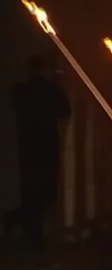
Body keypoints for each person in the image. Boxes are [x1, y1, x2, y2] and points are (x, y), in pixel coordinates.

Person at [11, 55, 70, 249]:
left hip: (29, 146)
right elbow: (65, 110)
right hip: (45, 146)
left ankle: (31, 230)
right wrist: (57, 84)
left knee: (31, 189)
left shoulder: (22, 91)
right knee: (45, 189)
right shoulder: (48, 91)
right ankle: (34, 232)